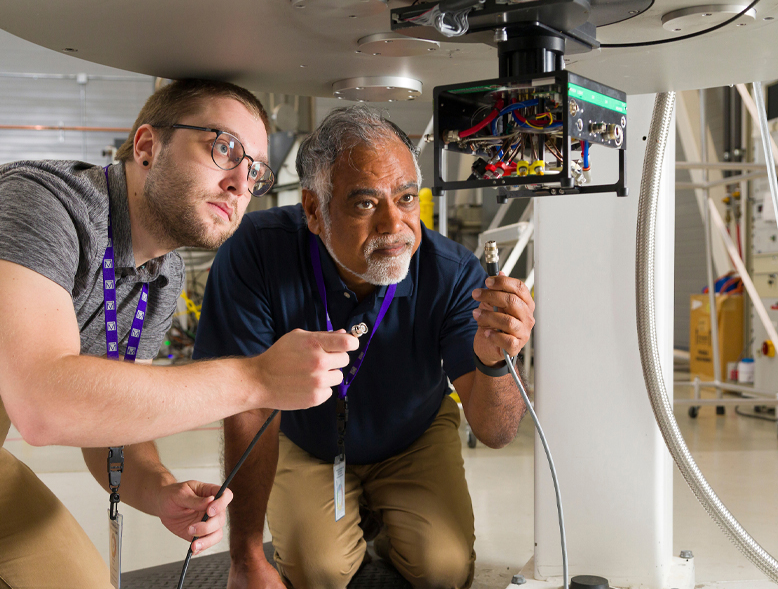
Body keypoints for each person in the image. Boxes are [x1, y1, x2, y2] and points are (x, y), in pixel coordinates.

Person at [0, 78, 358, 589]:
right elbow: (42, 404)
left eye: (256, 170)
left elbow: (106, 413)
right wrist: (255, 379)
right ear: (147, 146)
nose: (242, 182)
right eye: (224, 149)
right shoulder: (39, 203)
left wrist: (160, 492)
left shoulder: (160, 277)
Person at [194, 105, 535, 589]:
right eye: (364, 204)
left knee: (444, 570)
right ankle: (358, 521)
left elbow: (497, 432)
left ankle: (386, 521)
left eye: (406, 198)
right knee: (317, 572)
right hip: (304, 437)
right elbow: (246, 407)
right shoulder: (256, 252)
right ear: (314, 210)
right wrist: (246, 554)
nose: (394, 225)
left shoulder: (453, 272)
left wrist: (496, 360)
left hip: (412, 436)